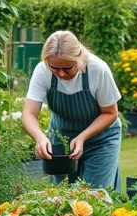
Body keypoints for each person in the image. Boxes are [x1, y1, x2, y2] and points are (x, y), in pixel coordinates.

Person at [21, 30, 122, 190]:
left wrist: (82, 137)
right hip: (62, 141)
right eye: (55, 68)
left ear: (79, 59)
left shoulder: (97, 70)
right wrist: (40, 138)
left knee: (97, 196)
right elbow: (29, 114)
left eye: (67, 68)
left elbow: (110, 113)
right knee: (63, 199)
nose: (60, 73)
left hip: (101, 140)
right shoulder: (43, 70)